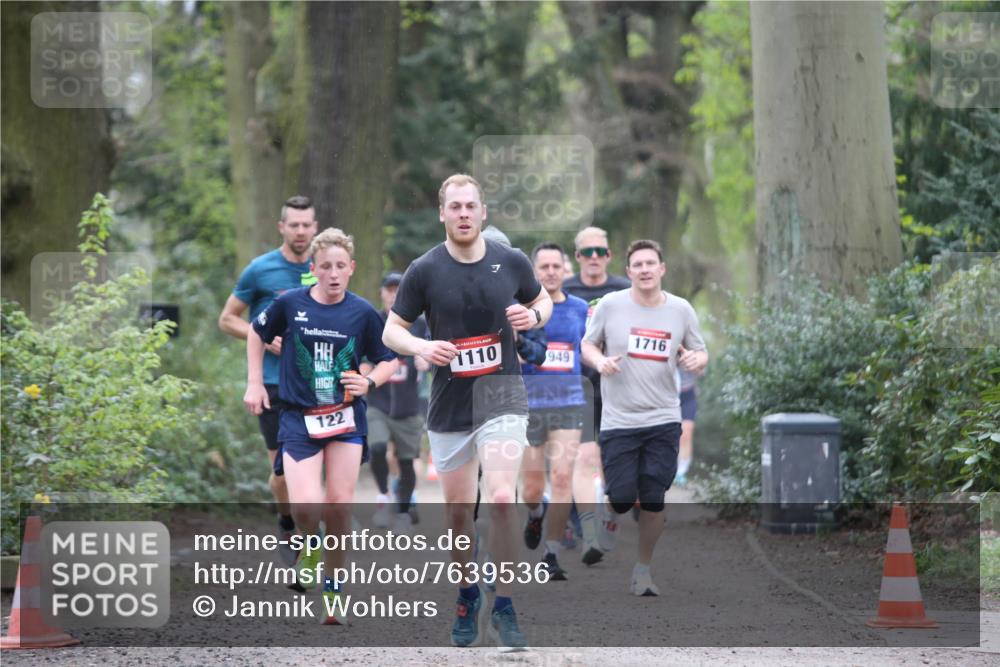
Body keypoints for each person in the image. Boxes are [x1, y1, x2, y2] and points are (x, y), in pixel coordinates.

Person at [383, 174, 552, 652]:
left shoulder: (511, 261)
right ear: (442, 213)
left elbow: (541, 303)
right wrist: (421, 344)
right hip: (450, 404)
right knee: (458, 514)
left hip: (502, 396)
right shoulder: (424, 270)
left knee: (500, 497)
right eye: (453, 206)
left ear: (483, 212)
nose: (462, 213)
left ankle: (505, 605)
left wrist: (532, 317)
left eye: (470, 206)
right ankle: (466, 594)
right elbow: (391, 332)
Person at [244, 227, 399, 624]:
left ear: (351, 269)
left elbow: (389, 359)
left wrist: (368, 381)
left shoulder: (363, 312)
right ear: (313, 269)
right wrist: (255, 382)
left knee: (339, 505)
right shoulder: (290, 303)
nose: (333, 273)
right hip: (297, 417)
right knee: (306, 506)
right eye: (325, 266)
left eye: (340, 266)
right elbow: (255, 333)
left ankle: (334, 590)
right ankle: (309, 543)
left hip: (345, 419)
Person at [581, 239, 708, 597]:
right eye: (638, 265)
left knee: (654, 497)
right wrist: (599, 361)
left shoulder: (681, 310)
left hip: (664, 417)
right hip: (619, 419)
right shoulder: (610, 305)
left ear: (662, 269)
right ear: (629, 272)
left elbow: (699, 351)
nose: (645, 269)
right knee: (621, 497)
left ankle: (643, 571)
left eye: (651, 263)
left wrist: (698, 361)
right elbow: (587, 344)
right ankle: (609, 512)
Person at [218, 195, 318, 563]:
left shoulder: (325, 267)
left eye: (307, 224)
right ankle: (287, 520)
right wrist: (263, 337)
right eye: (294, 224)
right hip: (274, 382)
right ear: (282, 227)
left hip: (316, 382)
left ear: (316, 227)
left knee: (312, 463)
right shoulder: (261, 270)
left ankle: (311, 532)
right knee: (282, 470)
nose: (301, 231)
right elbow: (227, 318)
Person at [519, 242, 589, 582]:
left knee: (562, 477)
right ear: (534, 272)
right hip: (529, 405)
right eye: (543, 267)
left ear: (565, 270)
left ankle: (551, 553)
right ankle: (535, 512)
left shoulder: (579, 308)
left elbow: (589, 346)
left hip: (569, 401)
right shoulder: (522, 310)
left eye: (555, 266)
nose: (550, 272)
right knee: (532, 488)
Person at [562, 226, 631, 565]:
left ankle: (609, 518)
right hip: (579, 388)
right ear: (577, 257)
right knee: (583, 458)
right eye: (587, 252)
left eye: (600, 252)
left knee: (613, 466)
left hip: (620, 388)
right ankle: (588, 532)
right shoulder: (564, 290)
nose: (594, 258)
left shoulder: (624, 290)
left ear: (609, 256)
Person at [367, 272, 430, 533]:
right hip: (377, 403)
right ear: (382, 292)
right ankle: (383, 497)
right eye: (389, 289)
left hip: (408, 406)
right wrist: (363, 369)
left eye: (398, 289)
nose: (393, 294)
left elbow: (433, 350)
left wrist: (427, 359)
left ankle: (403, 511)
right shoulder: (372, 321)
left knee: (407, 462)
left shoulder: (420, 324)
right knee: (378, 448)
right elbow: (359, 352)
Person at [675, 367, 701, 486]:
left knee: (686, 432)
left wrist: (692, 364)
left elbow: (701, 371)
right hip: (666, 395)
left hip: (687, 394)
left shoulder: (693, 348)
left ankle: (681, 472)